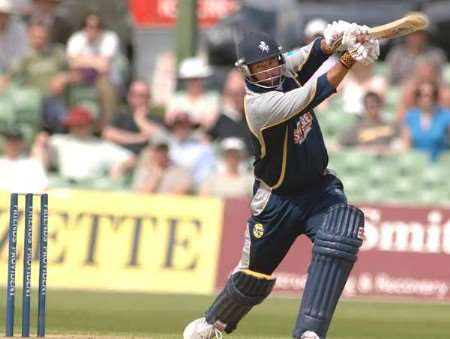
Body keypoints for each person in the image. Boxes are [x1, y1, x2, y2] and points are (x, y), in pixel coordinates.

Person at [183, 21, 380, 339]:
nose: (271, 71)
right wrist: (348, 59)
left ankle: (309, 332)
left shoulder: (281, 66)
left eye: (272, 62)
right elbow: (313, 93)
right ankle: (213, 323)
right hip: (277, 199)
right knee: (252, 277)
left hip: (318, 189)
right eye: (260, 67)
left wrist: (335, 41)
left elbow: (308, 54)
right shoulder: (259, 106)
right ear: (248, 72)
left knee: (340, 236)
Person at [32, 106, 135, 186]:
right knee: (39, 147)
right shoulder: (59, 141)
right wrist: (42, 143)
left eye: (81, 124)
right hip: (65, 186)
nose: (78, 128)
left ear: (90, 125)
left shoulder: (101, 146)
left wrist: (119, 168)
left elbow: (130, 158)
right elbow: (40, 153)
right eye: (75, 125)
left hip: (92, 189)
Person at [102, 80, 165, 155]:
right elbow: (108, 134)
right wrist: (139, 138)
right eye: (135, 95)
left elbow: (159, 138)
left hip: (146, 159)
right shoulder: (121, 115)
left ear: (149, 98)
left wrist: (140, 120)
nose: (139, 99)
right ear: (129, 97)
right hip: (121, 154)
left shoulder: (156, 117)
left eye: (142, 96)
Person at [402, 80, 450, 162]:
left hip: (440, 164)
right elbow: (407, 146)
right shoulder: (410, 116)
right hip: (417, 165)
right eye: (421, 94)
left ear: (435, 97)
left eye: (429, 95)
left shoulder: (446, 116)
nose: (426, 98)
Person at [208, 69, 253, 155]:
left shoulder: (255, 118)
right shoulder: (222, 119)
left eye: (241, 92)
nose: (238, 98)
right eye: (234, 93)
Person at [0, 127, 48, 192]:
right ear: (4, 143)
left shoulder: (33, 164)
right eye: (9, 140)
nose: (12, 144)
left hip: (26, 200)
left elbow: (43, 188)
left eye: (16, 141)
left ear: (23, 143)